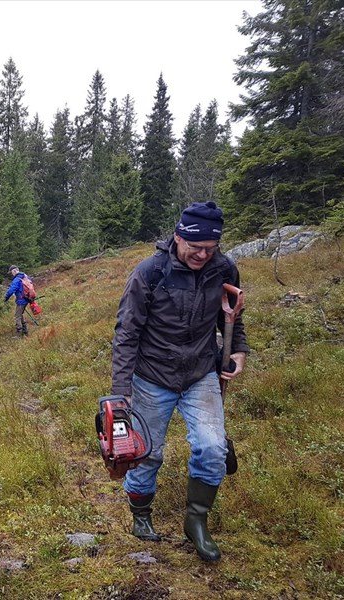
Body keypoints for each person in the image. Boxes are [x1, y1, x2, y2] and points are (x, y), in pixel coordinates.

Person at [110, 201, 249, 561]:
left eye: (210, 248)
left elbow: (232, 317)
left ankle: (196, 522)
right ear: (178, 237)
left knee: (212, 448)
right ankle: (141, 514)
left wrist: (238, 351)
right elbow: (127, 333)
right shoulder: (150, 273)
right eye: (195, 247)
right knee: (146, 453)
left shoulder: (224, 268)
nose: (203, 254)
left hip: (200, 373)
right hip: (152, 376)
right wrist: (121, 392)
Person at [4, 265, 31, 336]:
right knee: (20, 314)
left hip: (21, 300)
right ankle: (25, 331)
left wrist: (6, 298)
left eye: (11, 272)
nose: (11, 274)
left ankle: (19, 334)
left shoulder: (17, 279)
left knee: (17, 317)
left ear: (14, 271)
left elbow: (11, 290)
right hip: (27, 299)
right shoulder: (25, 276)